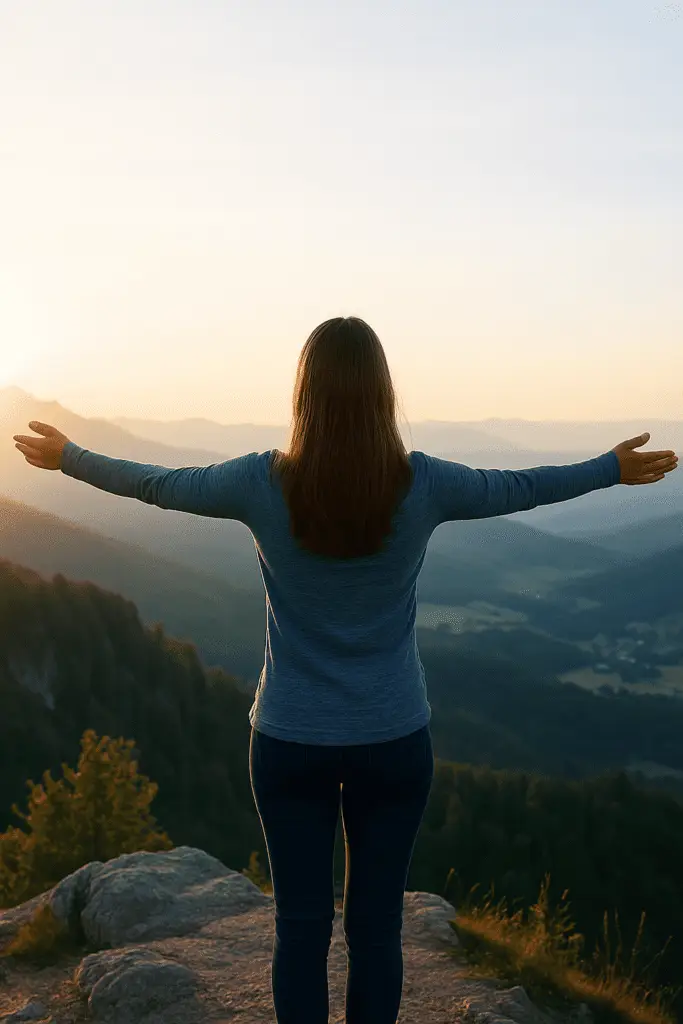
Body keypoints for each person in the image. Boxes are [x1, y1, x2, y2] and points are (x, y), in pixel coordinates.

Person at [12, 316, 679, 1024]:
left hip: (288, 739)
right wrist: (608, 468)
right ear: (382, 396)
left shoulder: (258, 481)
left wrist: (70, 458)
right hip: (391, 740)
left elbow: (160, 484)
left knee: (299, 930)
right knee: (375, 930)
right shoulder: (421, 483)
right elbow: (515, 486)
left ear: (305, 394)